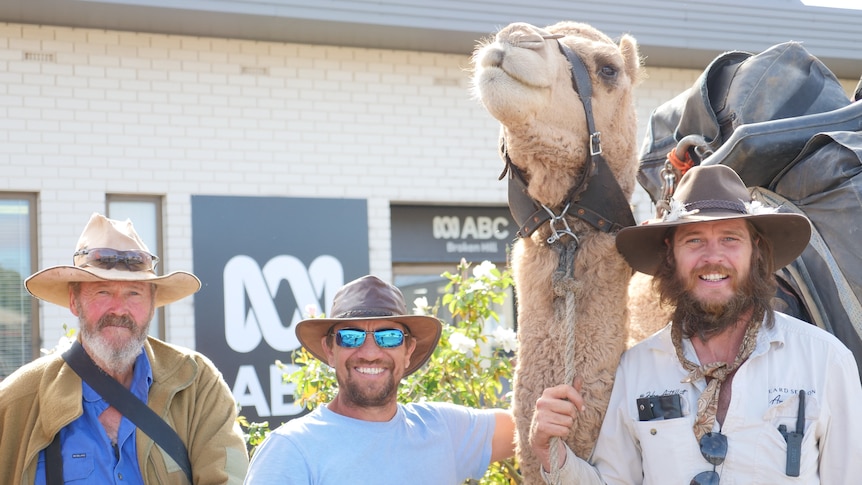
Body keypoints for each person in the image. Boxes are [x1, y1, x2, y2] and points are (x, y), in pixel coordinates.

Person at [529, 164, 862, 484]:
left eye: (730, 239)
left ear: (756, 252)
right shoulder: (638, 368)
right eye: (694, 240)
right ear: (670, 255)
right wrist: (549, 452)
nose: (713, 257)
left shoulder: (825, 361)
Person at [0, 213, 249, 484]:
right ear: (75, 301)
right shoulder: (17, 402)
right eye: (102, 292)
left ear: (153, 304)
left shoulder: (196, 384)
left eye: (134, 293)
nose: (119, 309)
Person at [244, 275, 516, 484]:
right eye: (351, 336)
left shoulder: (443, 429)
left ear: (408, 350)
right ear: (330, 350)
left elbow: (531, 429)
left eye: (389, 336)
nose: (371, 353)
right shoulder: (290, 451)